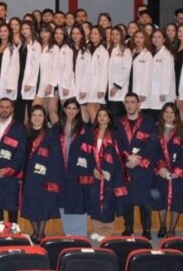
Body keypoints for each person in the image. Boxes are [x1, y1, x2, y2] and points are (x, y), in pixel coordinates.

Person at [78, 107, 127, 242]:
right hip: (94, 173)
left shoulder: (115, 134)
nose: (102, 117)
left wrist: (109, 170)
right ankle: (97, 229)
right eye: (100, 115)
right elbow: (84, 154)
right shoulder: (90, 133)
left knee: (108, 201)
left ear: (109, 118)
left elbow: (119, 154)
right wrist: (92, 170)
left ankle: (106, 231)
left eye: (105, 115)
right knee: (94, 200)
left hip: (110, 173)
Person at [118, 93, 160, 238]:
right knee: (127, 198)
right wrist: (128, 157)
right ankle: (128, 228)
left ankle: (146, 230)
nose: (129, 105)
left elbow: (153, 143)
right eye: (127, 102)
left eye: (132, 102)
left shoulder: (149, 121)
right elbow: (117, 143)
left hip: (144, 166)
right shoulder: (118, 122)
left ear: (139, 105)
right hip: (127, 165)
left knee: (145, 199)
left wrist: (138, 158)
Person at [20, 105, 62, 242]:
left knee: (43, 204)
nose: (37, 118)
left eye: (40, 115)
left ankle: (41, 233)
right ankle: (35, 232)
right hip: (28, 175)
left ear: (44, 118)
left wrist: (51, 176)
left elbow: (56, 157)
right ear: (30, 118)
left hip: (44, 175)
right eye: (34, 115)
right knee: (30, 203)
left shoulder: (50, 134)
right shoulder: (25, 133)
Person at [151, 103, 183, 238]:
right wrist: (160, 168)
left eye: (171, 112)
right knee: (160, 199)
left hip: (178, 172)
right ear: (162, 114)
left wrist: (178, 171)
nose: (168, 115)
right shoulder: (156, 129)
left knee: (176, 201)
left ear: (176, 115)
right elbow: (153, 150)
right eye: (166, 112)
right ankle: (162, 225)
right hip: (161, 171)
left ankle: (172, 229)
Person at [0, 98, 27, 226]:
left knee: (12, 206)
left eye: (7, 107)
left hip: (11, 175)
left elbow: (21, 153)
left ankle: (13, 233)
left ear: (12, 109)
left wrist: (7, 171)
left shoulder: (19, 128)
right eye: (2, 106)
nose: (4, 109)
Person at [57, 99, 89, 237]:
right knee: (63, 201)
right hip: (61, 171)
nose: (71, 111)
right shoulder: (57, 128)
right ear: (64, 110)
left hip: (78, 171)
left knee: (78, 202)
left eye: (74, 108)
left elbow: (89, 150)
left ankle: (80, 234)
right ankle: (68, 233)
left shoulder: (85, 129)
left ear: (78, 111)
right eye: (68, 108)